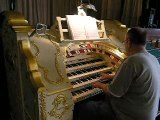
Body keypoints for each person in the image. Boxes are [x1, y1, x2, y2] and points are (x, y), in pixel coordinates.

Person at [74, 27, 160, 120]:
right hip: (147, 114)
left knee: (87, 107)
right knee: (101, 97)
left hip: (130, 116)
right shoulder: (152, 58)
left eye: (124, 42)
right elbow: (136, 78)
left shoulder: (132, 60)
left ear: (128, 41)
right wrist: (110, 76)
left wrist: (99, 85)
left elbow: (112, 92)